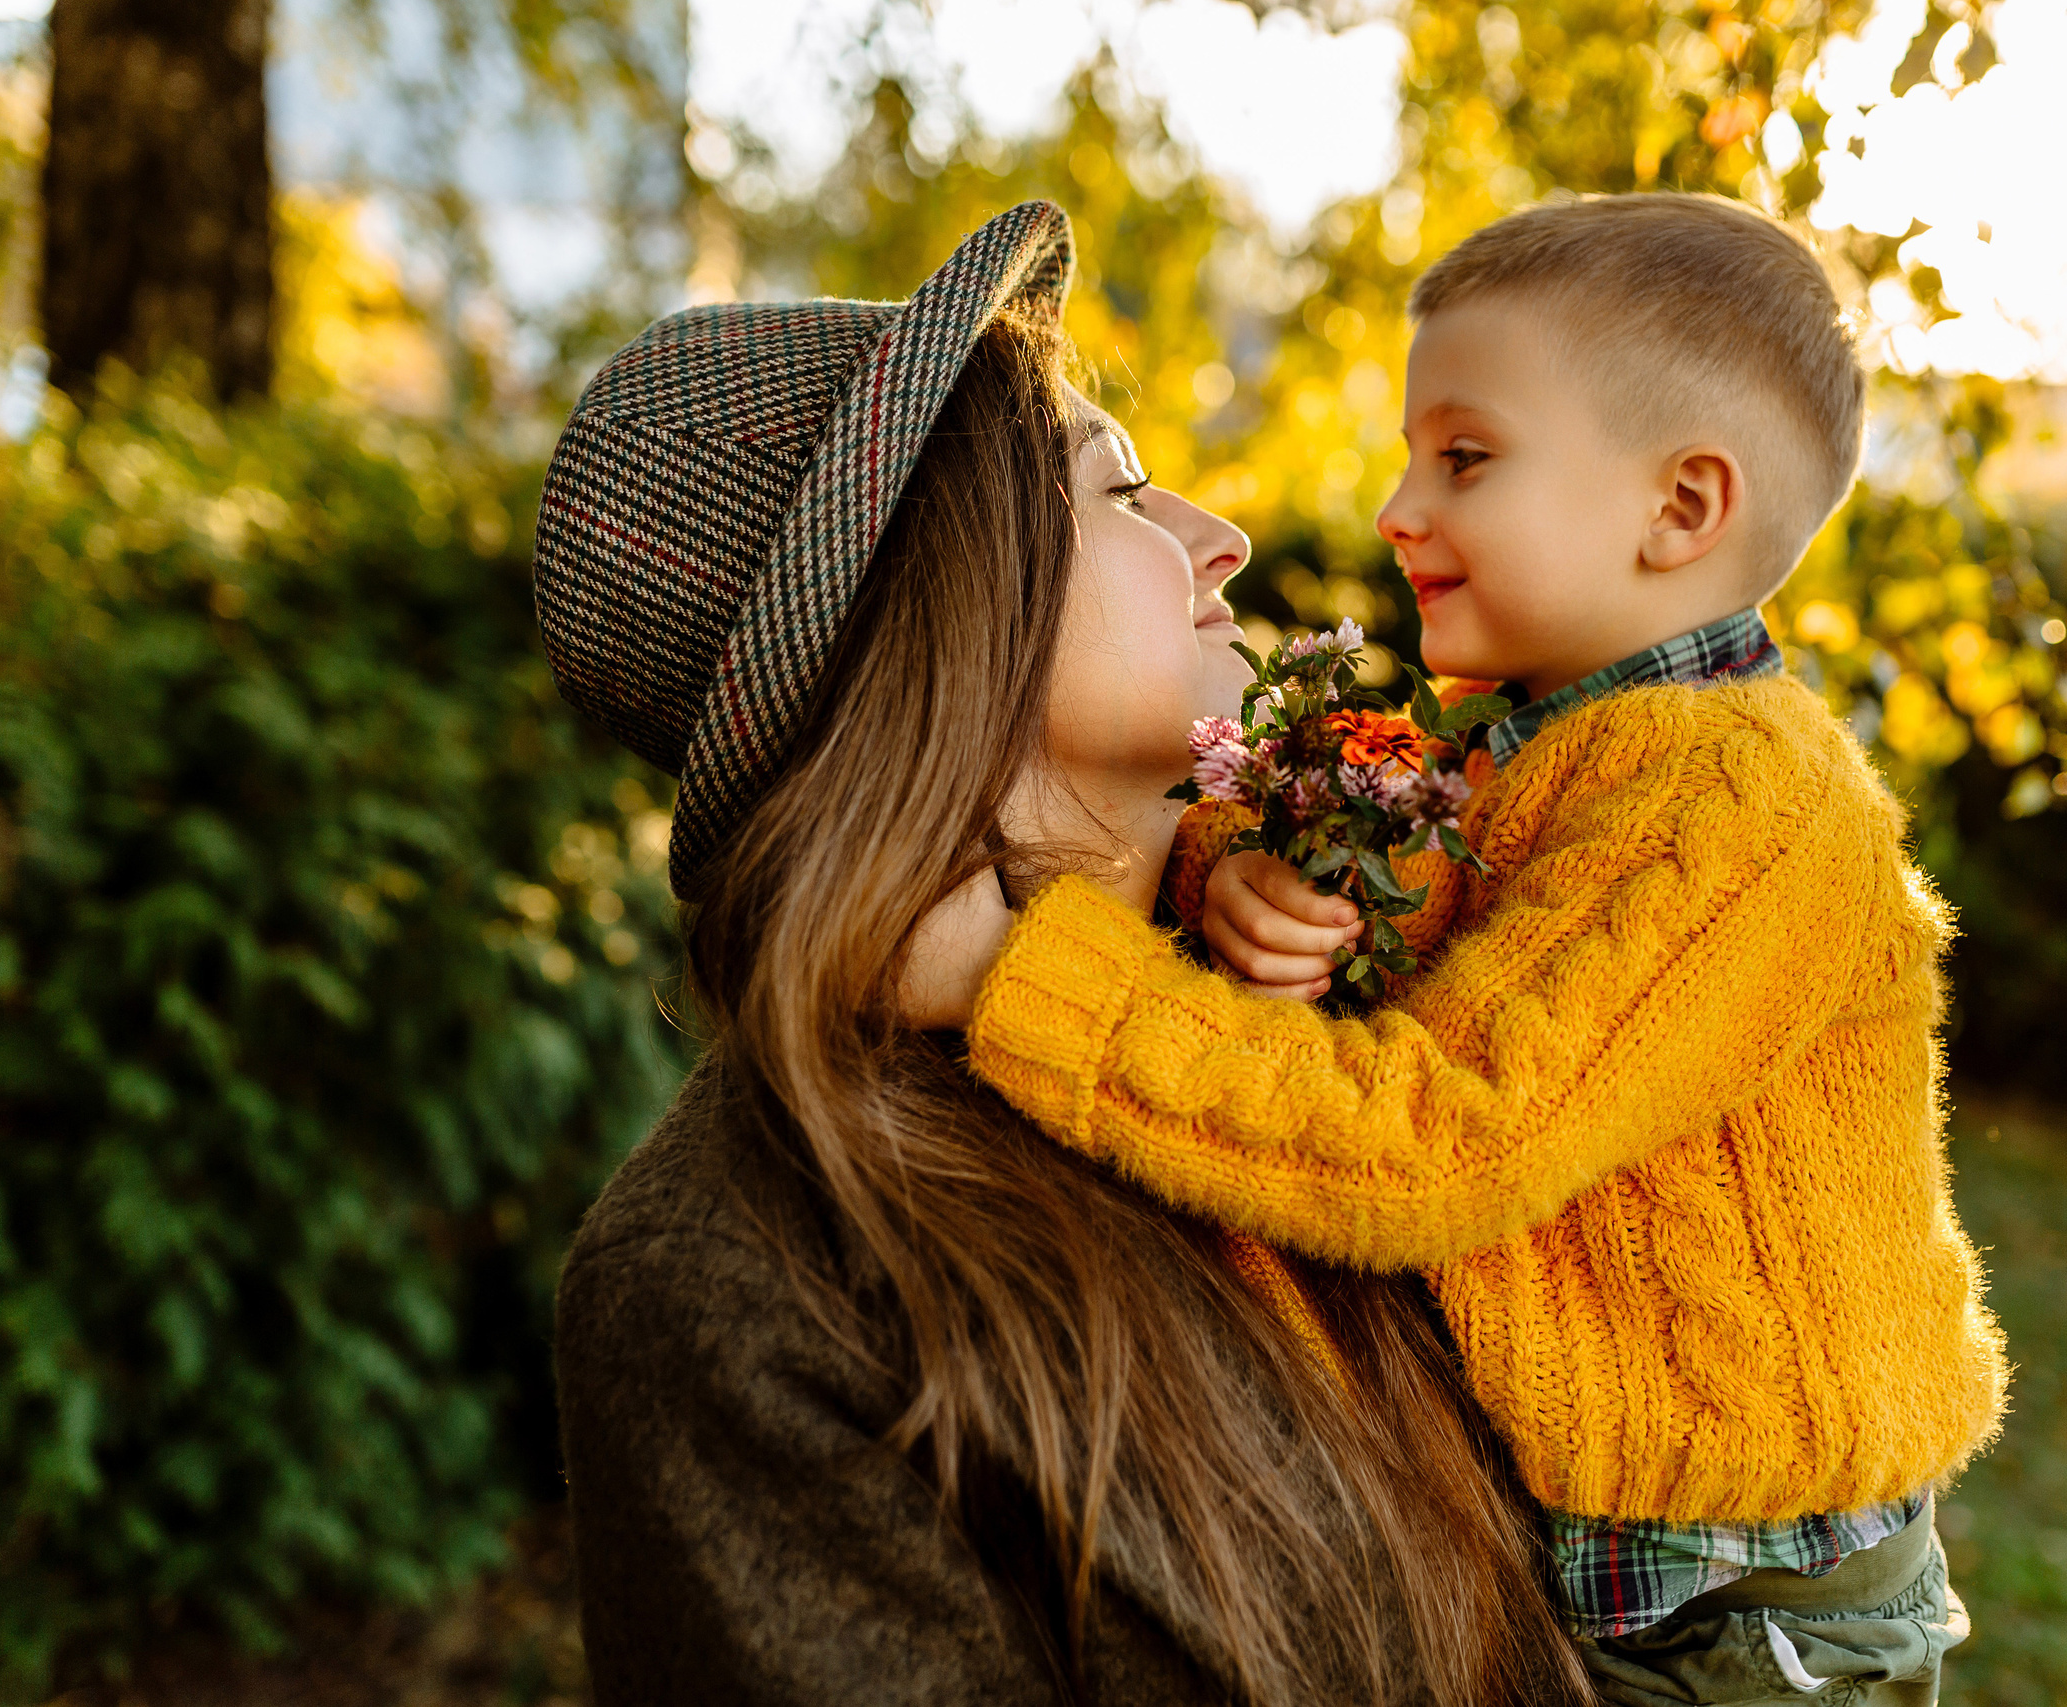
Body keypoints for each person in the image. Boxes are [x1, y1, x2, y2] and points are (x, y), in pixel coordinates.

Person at [906, 193, 2011, 1706]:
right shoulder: (1548, 751)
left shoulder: (1742, 805)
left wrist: (1014, 978)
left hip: (1754, 1635)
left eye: (1467, 459)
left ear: (1679, 510)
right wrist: (1238, 884)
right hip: (1611, 1571)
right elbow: (1411, 918)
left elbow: (1437, 1135)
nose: (1397, 508)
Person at [531, 202, 1584, 1707]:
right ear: (942, 604)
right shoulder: (733, 1283)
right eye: (1123, 490)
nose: (1218, 536)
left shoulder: (1338, 992)